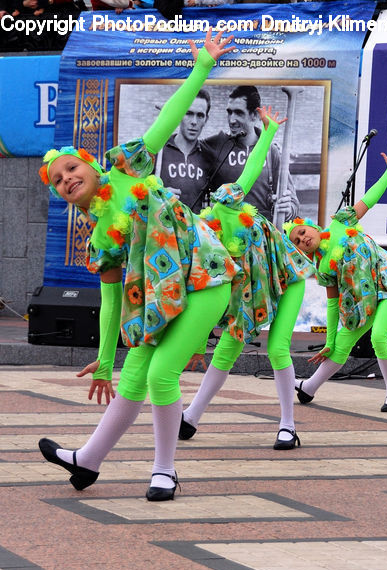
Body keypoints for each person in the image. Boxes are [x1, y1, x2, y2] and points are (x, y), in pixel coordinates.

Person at [37, 30, 237, 501]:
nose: (67, 179)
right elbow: (109, 303)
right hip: (158, 302)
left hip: (205, 279)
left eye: (71, 168)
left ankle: (164, 471)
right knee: (132, 377)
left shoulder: (126, 165)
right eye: (58, 181)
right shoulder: (100, 240)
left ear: (90, 165)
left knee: (161, 375)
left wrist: (202, 68)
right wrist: (105, 361)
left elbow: (167, 121)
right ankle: (87, 461)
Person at [178, 105, 316, 450]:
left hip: (286, 278)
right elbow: (201, 294)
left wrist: (267, 132)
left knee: (278, 349)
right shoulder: (201, 244)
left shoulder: (224, 205)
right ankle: (191, 416)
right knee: (225, 349)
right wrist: (196, 345)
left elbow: (250, 173)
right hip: (249, 292)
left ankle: (288, 426)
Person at [287, 146, 387, 413]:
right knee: (341, 346)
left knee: (380, 336)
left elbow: (370, 198)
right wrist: (330, 341)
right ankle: (308, 388)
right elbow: (333, 305)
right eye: (298, 242)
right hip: (362, 301)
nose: (303, 239)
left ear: (310, 225)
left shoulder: (340, 222)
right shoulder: (322, 266)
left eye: (302, 232)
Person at [204, 85, 297, 224]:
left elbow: (293, 203)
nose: (231, 120)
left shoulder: (271, 152)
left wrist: (288, 209)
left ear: (255, 115)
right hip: (226, 234)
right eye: (229, 112)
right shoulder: (216, 145)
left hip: (262, 235)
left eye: (239, 113)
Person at [155, 88, 213, 213]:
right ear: (180, 114)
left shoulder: (209, 156)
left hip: (197, 230)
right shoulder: (158, 150)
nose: (194, 122)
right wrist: (157, 196)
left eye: (200, 115)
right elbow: (134, 192)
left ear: (206, 120)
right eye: (188, 113)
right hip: (164, 229)